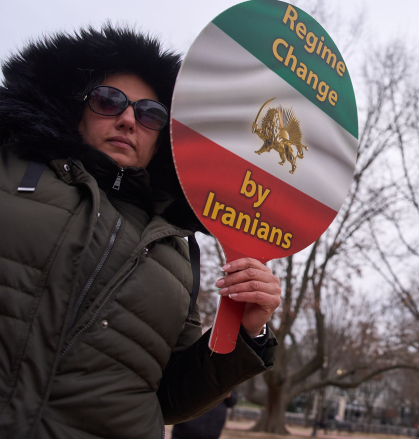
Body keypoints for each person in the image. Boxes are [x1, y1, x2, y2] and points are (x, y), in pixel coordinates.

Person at [0, 26, 282, 438]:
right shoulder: (10, 169)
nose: (128, 119)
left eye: (151, 114)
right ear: (79, 108)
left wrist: (246, 331)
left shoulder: (176, 245)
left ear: (165, 136)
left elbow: (170, 398)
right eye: (108, 101)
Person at [171, 390, 238, 439]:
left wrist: (228, 393)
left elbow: (232, 401)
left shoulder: (224, 379)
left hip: (211, 433)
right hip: (184, 433)